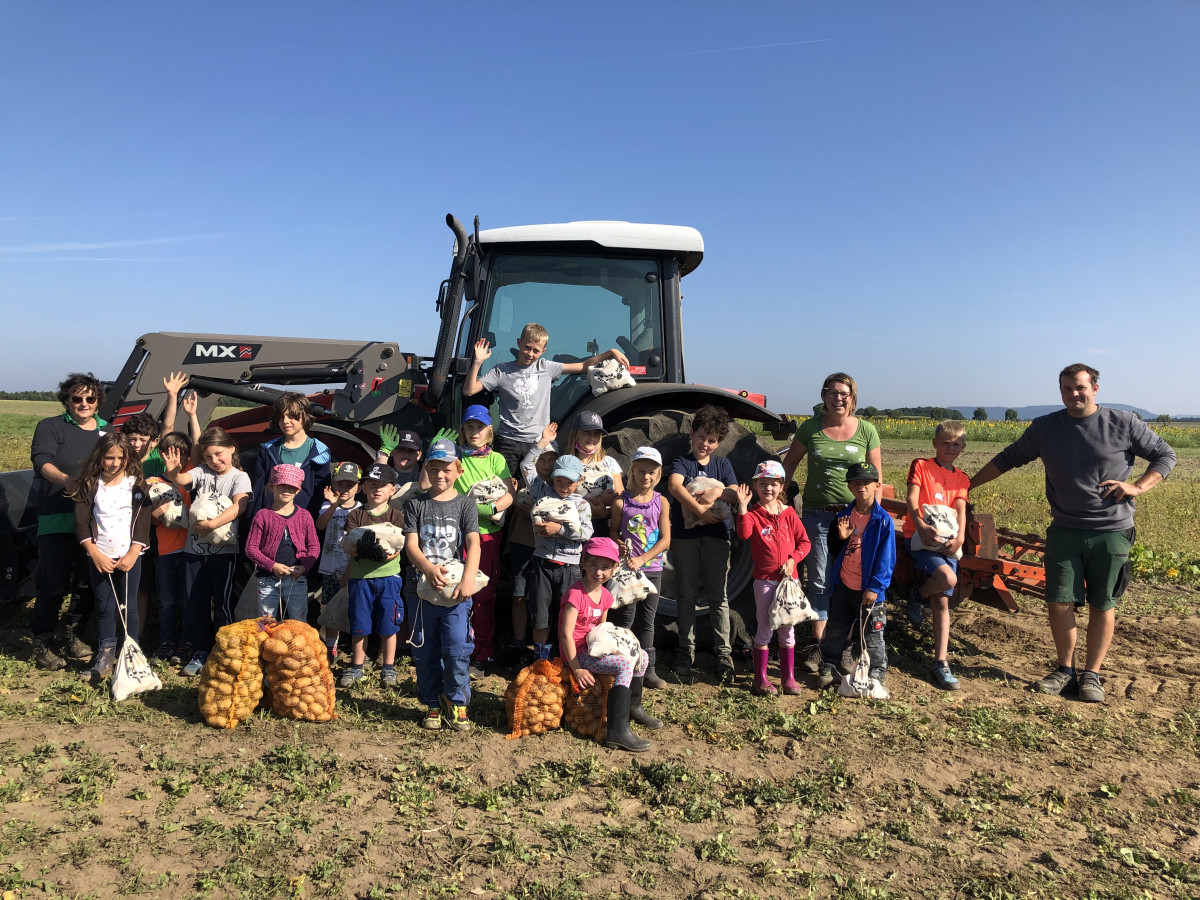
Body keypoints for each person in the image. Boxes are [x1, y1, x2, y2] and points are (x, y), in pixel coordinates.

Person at [970, 363, 1177, 704]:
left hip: (1111, 530)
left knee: (1102, 602)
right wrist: (966, 485)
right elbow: (1009, 458)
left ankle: (1091, 675)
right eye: (1066, 389)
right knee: (1059, 600)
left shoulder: (1123, 423)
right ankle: (1065, 670)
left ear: (1095, 388)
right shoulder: (1046, 428)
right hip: (1064, 528)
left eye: (1080, 387)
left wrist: (1138, 486)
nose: (1073, 394)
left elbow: (1165, 455)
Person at [780, 373, 882, 674]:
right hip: (817, 515)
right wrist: (778, 498)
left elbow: (876, 477)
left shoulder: (866, 430)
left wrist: (874, 516)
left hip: (854, 517)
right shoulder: (811, 428)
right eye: (833, 392)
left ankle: (844, 647)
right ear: (824, 396)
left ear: (853, 397)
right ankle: (820, 648)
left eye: (845, 393)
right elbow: (789, 465)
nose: (839, 398)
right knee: (821, 581)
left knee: (850, 582)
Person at [462, 322, 630, 479]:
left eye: (536, 350)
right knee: (506, 490)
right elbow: (469, 390)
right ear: (519, 343)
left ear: (543, 351)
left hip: (539, 441)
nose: (530, 353)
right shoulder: (501, 370)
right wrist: (477, 363)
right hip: (508, 442)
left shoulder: (546, 367)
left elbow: (582, 366)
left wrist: (611, 352)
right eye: (527, 347)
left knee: (537, 488)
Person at [29, 373, 111, 669]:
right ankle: (43, 639)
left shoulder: (108, 432)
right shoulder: (51, 427)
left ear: (99, 401)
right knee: (53, 584)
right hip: (58, 518)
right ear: (67, 400)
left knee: (86, 583)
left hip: (95, 522)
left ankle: (73, 633)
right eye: (77, 398)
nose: (84, 403)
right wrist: (69, 481)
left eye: (90, 398)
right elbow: (41, 461)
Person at [162, 427, 253, 677]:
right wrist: (172, 471)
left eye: (219, 454)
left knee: (223, 604)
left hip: (225, 552)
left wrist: (213, 524)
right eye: (209, 456)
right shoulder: (202, 471)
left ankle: (223, 651)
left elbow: (240, 506)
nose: (215, 460)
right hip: (194, 551)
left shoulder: (238, 477)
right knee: (196, 602)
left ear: (232, 449)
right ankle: (201, 651)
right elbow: (181, 480)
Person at [403, 440, 482, 731]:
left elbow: (473, 543)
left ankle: (457, 702)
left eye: (446, 469)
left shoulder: (466, 505)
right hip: (421, 592)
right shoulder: (416, 504)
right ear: (426, 469)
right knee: (425, 651)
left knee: (456, 648)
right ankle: (432, 704)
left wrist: (469, 578)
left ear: (458, 471)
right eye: (433, 468)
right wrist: (426, 567)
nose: (440, 475)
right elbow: (411, 544)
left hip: (455, 593)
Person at [559, 536, 661, 753]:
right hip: (578, 653)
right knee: (624, 665)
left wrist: (614, 648)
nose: (598, 572)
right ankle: (617, 732)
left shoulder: (605, 595)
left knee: (641, 656)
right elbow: (566, 635)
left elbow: (602, 631)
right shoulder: (575, 595)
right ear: (583, 563)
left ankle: (634, 707)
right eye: (593, 565)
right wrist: (577, 668)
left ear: (615, 569)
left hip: (593, 649)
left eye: (605, 567)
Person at [69, 433, 153, 685]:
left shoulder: (137, 486)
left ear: (128, 458)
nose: (114, 463)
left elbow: (143, 523)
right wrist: (94, 553)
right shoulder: (90, 485)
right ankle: (104, 658)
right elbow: (81, 523)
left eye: (120, 458)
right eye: (109, 457)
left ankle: (133, 655)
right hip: (100, 558)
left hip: (129, 557)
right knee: (105, 608)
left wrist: (133, 553)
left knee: (130, 608)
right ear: (100, 457)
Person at [666, 405, 740, 681]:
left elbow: (735, 493)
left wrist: (714, 491)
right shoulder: (682, 463)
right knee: (685, 594)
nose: (705, 444)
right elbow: (675, 486)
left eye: (711, 440)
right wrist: (699, 511)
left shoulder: (723, 465)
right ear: (691, 434)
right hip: (686, 537)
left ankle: (723, 653)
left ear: (718, 443)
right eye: (701, 437)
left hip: (718, 536)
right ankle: (686, 650)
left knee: (718, 595)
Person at [735, 460, 811, 696]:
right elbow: (744, 533)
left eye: (774, 484)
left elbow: (805, 543)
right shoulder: (755, 515)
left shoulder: (789, 514)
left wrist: (793, 560)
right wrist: (743, 507)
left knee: (787, 629)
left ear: (781, 486)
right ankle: (761, 679)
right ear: (755, 486)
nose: (768, 488)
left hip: (789, 582)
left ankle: (788, 678)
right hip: (765, 581)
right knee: (765, 627)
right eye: (763, 483)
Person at [904, 420, 970, 691]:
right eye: (945, 443)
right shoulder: (921, 466)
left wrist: (961, 538)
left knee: (942, 600)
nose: (950, 448)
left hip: (947, 542)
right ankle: (917, 596)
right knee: (948, 579)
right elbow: (911, 498)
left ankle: (940, 662)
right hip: (921, 539)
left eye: (956, 444)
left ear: (962, 447)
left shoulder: (962, 478)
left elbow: (961, 510)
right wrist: (920, 524)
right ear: (935, 443)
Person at [817, 462, 895, 689]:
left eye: (866, 482)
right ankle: (829, 665)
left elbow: (886, 558)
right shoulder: (843, 516)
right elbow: (833, 549)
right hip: (844, 585)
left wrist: (875, 587)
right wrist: (841, 538)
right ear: (850, 487)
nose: (861, 487)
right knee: (836, 629)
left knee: (872, 636)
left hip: (868, 590)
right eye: (856, 482)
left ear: (876, 485)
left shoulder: (882, 521)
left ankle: (876, 674)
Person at [453, 405, 514, 667]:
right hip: (458, 534)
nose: (474, 432)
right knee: (456, 591)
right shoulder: (455, 458)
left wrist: (492, 508)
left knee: (483, 595)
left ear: (488, 431)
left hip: (487, 535)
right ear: (463, 430)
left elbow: (510, 494)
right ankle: (458, 649)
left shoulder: (497, 460)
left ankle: (483, 652)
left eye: (479, 427)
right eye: (469, 426)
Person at [609, 446, 672, 688]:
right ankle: (624, 665)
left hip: (651, 568)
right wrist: (619, 546)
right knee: (626, 618)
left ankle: (648, 670)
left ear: (658, 475)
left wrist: (644, 558)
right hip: (627, 571)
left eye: (652, 472)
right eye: (642, 471)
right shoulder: (620, 503)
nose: (646, 477)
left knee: (647, 620)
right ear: (632, 471)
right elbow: (614, 530)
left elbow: (666, 539)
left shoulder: (661, 501)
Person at [340, 463, 405, 689]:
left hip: (389, 578)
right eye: (372, 485)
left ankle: (388, 667)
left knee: (389, 623)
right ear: (364, 487)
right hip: (360, 579)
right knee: (360, 623)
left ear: (392, 490)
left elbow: (398, 548)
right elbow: (348, 545)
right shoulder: (355, 515)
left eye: (383, 486)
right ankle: (357, 666)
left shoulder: (397, 516)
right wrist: (363, 552)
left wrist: (381, 557)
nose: (377, 490)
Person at [526, 453, 594, 660]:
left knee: (567, 617)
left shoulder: (581, 505)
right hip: (542, 562)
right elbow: (527, 466)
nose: (564, 487)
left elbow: (587, 533)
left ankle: (566, 661)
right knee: (541, 616)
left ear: (579, 481)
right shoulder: (542, 494)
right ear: (552, 479)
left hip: (570, 567)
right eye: (559, 481)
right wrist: (542, 443)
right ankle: (540, 661)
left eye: (570, 482)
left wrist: (560, 530)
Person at [506, 423, 560, 666]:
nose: (546, 465)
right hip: (525, 541)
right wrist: (541, 442)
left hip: (548, 546)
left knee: (542, 597)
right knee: (519, 593)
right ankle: (518, 645)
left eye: (552, 460)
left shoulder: (562, 485)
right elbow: (526, 465)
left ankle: (543, 647)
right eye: (543, 460)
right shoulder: (534, 482)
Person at [244, 464, 320, 622]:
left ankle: (296, 648)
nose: (286, 490)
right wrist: (272, 566)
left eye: (291, 487)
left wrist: (305, 566)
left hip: (296, 579)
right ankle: (267, 647)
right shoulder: (262, 516)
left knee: (298, 623)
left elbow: (313, 547)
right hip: (267, 580)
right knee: (266, 623)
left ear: (298, 490)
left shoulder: (304, 516)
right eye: (282, 486)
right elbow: (251, 548)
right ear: (272, 487)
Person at [147, 431, 194, 664]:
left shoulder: (191, 478)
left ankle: (186, 643)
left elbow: (199, 443)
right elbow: (151, 521)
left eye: (183, 454)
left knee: (187, 600)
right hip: (165, 551)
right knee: (166, 601)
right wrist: (155, 515)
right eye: (172, 454)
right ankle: (166, 642)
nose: (178, 459)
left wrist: (192, 415)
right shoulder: (154, 484)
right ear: (162, 455)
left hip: (190, 550)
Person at [248, 392, 331, 519]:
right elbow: (259, 489)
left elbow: (321, 494)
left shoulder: (319, 453)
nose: (285, 421)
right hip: (271, 519)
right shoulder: (268, 450)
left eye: (291, 416)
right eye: (281, 417)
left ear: (304, 416)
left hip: (303, 521)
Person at [315, 461, 361, 661]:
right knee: (331, 609)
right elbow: (320, 525)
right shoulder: (327, 505)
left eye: (349, 485)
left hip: (354, 568)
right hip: (331, 567)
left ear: (358, 487)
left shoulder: (362, 509)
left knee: (356, 609)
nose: (344, 489)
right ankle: (331, 647)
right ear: (333, 484)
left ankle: (356, 651)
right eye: (340, 484)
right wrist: (333, 504)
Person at [565, 409, 624, 531]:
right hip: (576, 526)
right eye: (587, 432)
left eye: (597, 433)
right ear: (576, 434)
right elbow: (562, 497)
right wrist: (599, 501)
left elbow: (620, 498)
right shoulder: (566, 462)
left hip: (607, 526)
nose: (592, 437)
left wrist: (605, 514)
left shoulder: (610, 462)